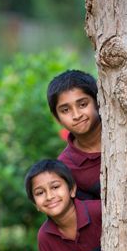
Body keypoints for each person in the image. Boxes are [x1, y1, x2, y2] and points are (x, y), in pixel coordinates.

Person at [47, 70, 101, 200]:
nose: (76, 115)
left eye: (83, 104)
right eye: (65, 110)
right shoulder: (66, 167)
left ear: (99, 102)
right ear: (57, 118)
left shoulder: (126, 132)